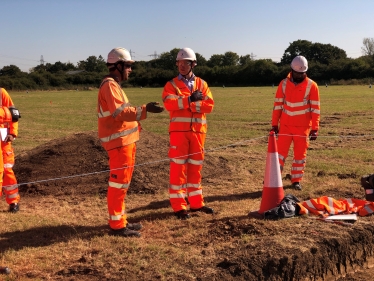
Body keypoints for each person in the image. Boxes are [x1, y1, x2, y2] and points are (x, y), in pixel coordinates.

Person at [97, 47, 164, 237]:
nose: (130, 69)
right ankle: (117, 226)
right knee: (118, 184)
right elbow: (120, 113)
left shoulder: (113, 85)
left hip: (124, 142)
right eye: (127, 65)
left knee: (122, 184)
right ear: (117, 65)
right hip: (119, 143)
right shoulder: (110, 85)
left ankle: (121, 220)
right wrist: (145, 109)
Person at [162, 47, 214, 219]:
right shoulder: (171, 85)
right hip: (179, 134)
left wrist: (185, 104)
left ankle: (197, 204)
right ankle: (179, 207)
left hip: (198, 134)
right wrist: (191, 100)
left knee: (195, 170)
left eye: (186, 62)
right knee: (178, 170)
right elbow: (169, 104)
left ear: (193, 64)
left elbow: (209, 106)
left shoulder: (202, 84)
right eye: (179, 62)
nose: (182, 66)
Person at [270, 55, 320, 190]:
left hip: (303, 128)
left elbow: (315, 109)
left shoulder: (312, 86)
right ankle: (274, 179)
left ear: (305, 71)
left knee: (300, 156)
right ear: (291, 70)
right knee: (279, 155)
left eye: (301, 73)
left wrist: (315, 128)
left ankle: (296, 180)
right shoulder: (283, 84)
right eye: (297, 73)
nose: (299, 75)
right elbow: (278, 105)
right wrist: (275, 124)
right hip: (285, 127)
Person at [0, 88, 20, 213]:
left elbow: (14, 114)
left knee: (7, 169)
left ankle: (14, 202)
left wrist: (12, 132)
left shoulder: (1, 93)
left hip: (3, 136)